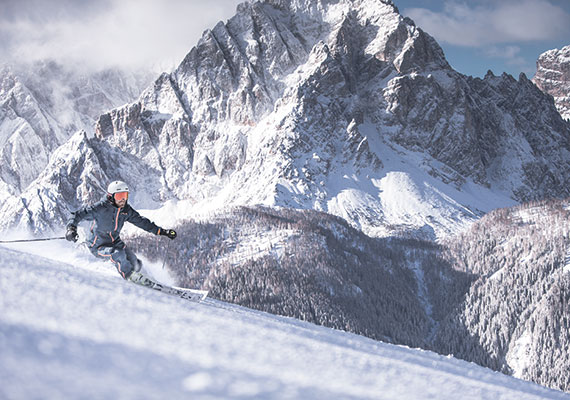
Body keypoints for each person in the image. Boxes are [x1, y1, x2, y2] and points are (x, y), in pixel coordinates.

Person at [65, 180, 177, 280]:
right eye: (119, 196)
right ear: (111, 196)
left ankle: (146, 279)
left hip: (115, 242)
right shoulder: (100, 208)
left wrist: (162, 231)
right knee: (118, 255)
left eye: (125, 195)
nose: (123, 200)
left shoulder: (125, 210)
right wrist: (71, 228)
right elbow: (78, 214)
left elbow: (142, 222)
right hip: (98, 245)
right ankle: (130, 277)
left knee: (134, 261)